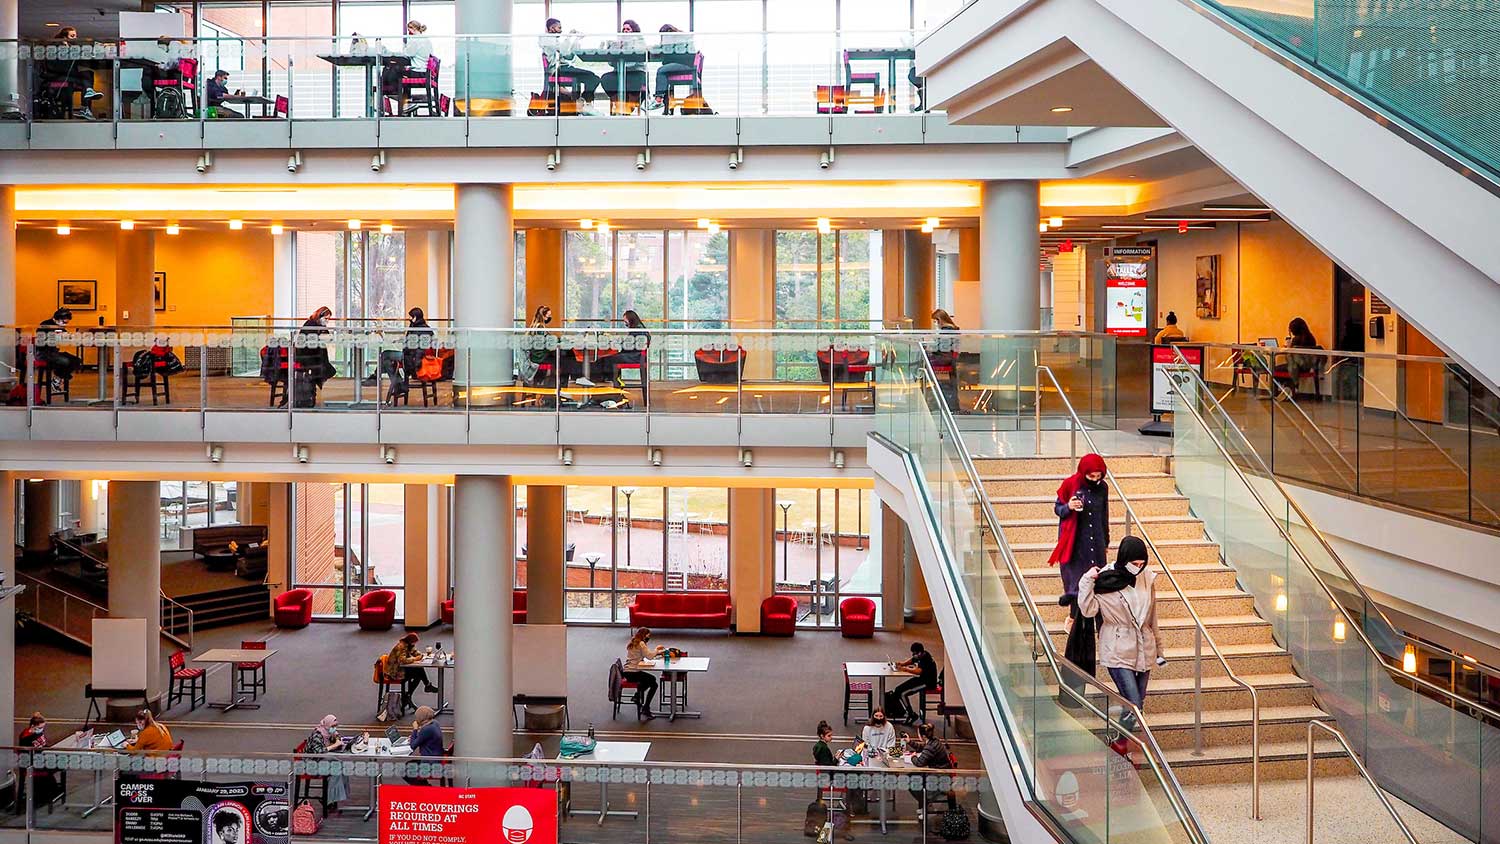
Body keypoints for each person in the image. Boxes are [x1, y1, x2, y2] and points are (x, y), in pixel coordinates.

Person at [1077, 536, 1165, 757]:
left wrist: (1160, 650)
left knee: (1137, 702)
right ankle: (1121, 743)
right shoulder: (1105, 579)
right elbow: (1088, 610)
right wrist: (1087, 581)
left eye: (1141, 563)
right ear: (1123, 559)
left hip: (1144, 648)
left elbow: (1152, 617)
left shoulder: (1147, 578)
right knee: (1134, 703)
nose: (1138, 568)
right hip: (1116, 647)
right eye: (1134, 563)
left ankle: (1119, 742)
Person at [1049, 453, 1109, 699]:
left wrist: (1107, 538)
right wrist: (1069, 508)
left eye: (1098, 476)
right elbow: (1057, 508)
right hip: (1076, 544)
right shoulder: (1071, 484)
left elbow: (1104, 513)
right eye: (1091, 476)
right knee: (1076, 585)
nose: (1095, 479)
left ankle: (1098, 626)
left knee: (1098, 584)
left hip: (1096, 542)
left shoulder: (1102, 488)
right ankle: (1074, 617)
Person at [381, 632, 438, 721]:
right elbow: (402, 661)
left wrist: (420, 655)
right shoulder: (401, 647)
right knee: (419, 671)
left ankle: (408, 695)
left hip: (401, 669)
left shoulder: (409, 645)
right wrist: (415, 659)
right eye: (414, 642)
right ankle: (424, 687)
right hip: (395, 672)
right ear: (410, 641)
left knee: (418, 674)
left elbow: (415, 652)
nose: (415, 644)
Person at [542, 18, 602, 103]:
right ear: (552, 28)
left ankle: (582, 100)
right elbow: (564, 51)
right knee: (593, 78)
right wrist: (569, 36)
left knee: (593, 78)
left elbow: (568, 56)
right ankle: (583, 101)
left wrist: (576, 40)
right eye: (559, 28)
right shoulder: (547, 39)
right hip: (558, 70)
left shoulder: (554, 41)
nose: (561, 30)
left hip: (564, 68)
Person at [905, 722, 956, 816]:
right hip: (940, 771)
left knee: (910, 780)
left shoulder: (931, 747)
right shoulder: (934, 741)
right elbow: (922, 748)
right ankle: (925, 804)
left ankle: (926, 804)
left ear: (923, 736)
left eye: (918, 734)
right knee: (911, 776)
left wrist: (913, 756)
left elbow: (919, 763)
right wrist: (909, 742)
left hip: (940, 775)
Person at [305, 715, 352, 810]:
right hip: (311, 764)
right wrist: (335, 745)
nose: (334, 728)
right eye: (332, 726)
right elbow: (318, 752)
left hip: (321, 761)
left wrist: (336, 738)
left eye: (335, 726)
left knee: (341, 765)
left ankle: (333, 797)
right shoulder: (317, 735)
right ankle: (328, 799)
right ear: (327, 725)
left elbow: (332, 745)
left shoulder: (327, 733)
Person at [601, 20, 647, 112]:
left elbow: (640, 57)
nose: (625, 31)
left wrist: (629, 45)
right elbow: (610, 63)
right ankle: (618, 103)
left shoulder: (639, 41)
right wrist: (614, 49)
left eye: (628, 29)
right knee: (606, 78)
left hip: (635, 71)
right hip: (619, 72)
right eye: (624, 29)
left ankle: (630, 106)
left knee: (637, 80)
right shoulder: (619, 41)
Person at [35, 307, 83, 390]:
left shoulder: (59, 326)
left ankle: (57, 378)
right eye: (64, 322)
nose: (65, 324)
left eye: (67, 322)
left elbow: (65, 336)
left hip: (53, 352)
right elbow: (41, 340)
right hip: (43, 353)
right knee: (65, 361)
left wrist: (70, 336)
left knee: (77, 360)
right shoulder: (46, 324)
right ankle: (59, 379)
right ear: (57, 318)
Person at [891, 641, 939, 725]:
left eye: (915, 654)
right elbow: (912, 660)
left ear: (920, 653)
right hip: (921, 679)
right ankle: (902, 711)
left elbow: (918, 671)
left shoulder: (926, 659)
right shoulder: (922, 654)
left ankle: (911, 714)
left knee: (903, 694)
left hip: (927, 683)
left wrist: (904, 669)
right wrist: (902, 664)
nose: (914, 655)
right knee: (898, 689)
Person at [651, 24, 695, 110]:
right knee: (664, 73)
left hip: (685, 65)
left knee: (661, 71)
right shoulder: (677, 40)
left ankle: (658, 99)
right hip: (684, 65)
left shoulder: (677, 42)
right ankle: (665, 105)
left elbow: (670, 58)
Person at [623, 627, 663, 719]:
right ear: (644, 635)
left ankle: (637, 696)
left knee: (647, 681)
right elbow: (649, 656)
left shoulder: (633, 641)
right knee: (653, 682)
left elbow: (642, 655)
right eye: (648, 636)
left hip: (627, 671)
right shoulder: (641, 643)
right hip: (633, 672)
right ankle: (646, 707)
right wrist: (657, 650)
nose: (648, 638)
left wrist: (656, 652)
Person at [1279, 316, 1322, 400]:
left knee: (1274, 370)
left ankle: (1289, 389)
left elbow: (1290, 354)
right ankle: (1290, 389)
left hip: (1297, 367)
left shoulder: (1296, 340)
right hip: (1309, 367)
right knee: (1286, 368)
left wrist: (1288, 347)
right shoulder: (1311, 338)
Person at [403, 706, 444, 785]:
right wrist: (415, 736)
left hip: (429, 762)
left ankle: (425, 788)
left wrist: (415, 729)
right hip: (435, 758)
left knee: (404, 771)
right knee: (409, 764)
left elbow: (413, 746)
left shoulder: (426, 729)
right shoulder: (435, 723)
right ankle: (424, 786)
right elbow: (424, 737)